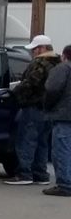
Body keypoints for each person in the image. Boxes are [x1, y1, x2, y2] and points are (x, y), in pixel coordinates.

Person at [6, 34, 60, 186]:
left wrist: (15, 92)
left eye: (34, 49)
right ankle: (40, 174)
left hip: (34, 107)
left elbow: (31, 83)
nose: (32, 52)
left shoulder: (40, 63)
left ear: (42, 48)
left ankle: (24, 173)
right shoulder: (58, 63)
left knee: (27, 140)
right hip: (49, 109)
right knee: (42, 142)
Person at [41, 49, 71, 198]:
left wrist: (47, 106)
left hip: (63, 115)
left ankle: (65, 184)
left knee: (61, 150)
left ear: (64, 56)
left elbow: (52, 89)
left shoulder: (62, 68)